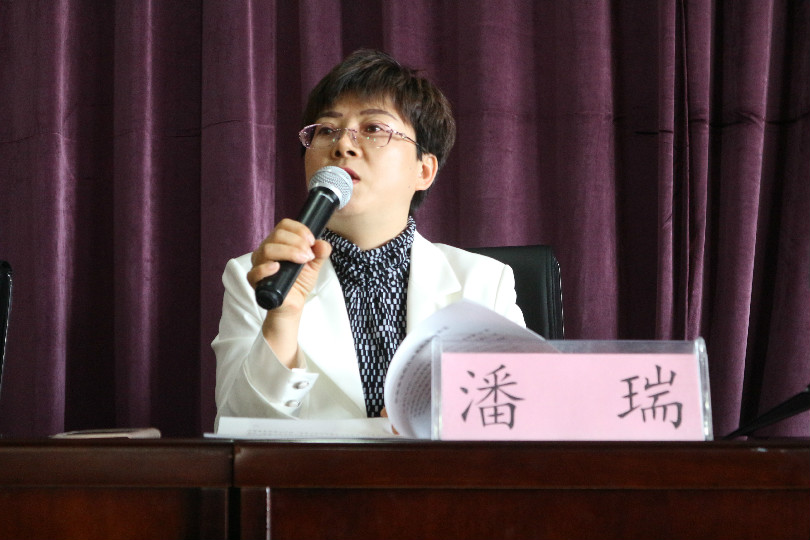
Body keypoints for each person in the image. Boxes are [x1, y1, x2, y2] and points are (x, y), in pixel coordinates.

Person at [212, 49, 524, 428]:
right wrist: (282, 320)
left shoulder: (485, 283)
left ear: (424, 170)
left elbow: (519, 421)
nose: (343, 145)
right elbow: (239, 431)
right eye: (326, 130)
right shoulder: (257, 276)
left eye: (374, 128)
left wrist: (445, 424)